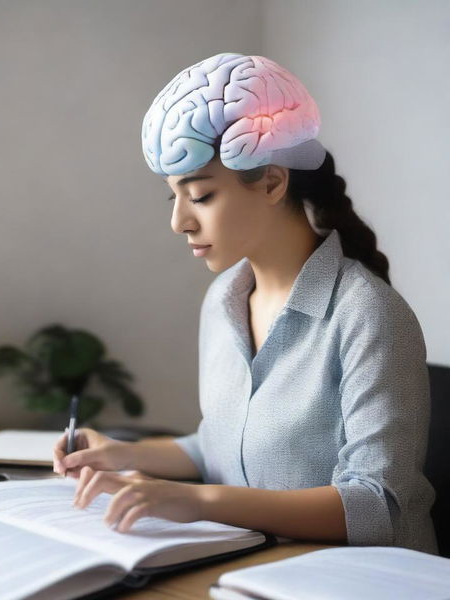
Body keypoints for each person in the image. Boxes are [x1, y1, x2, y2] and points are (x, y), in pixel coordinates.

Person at [53, 52, 438, 554]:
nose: (180, 222)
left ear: (273, 182)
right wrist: (123, 455)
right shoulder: (223, 301)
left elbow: (375, 506)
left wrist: (199, 502)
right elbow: (227, 446)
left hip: (366, 594)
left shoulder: (369, 314)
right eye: (174, 197)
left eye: (202, 196)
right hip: (256, 568)